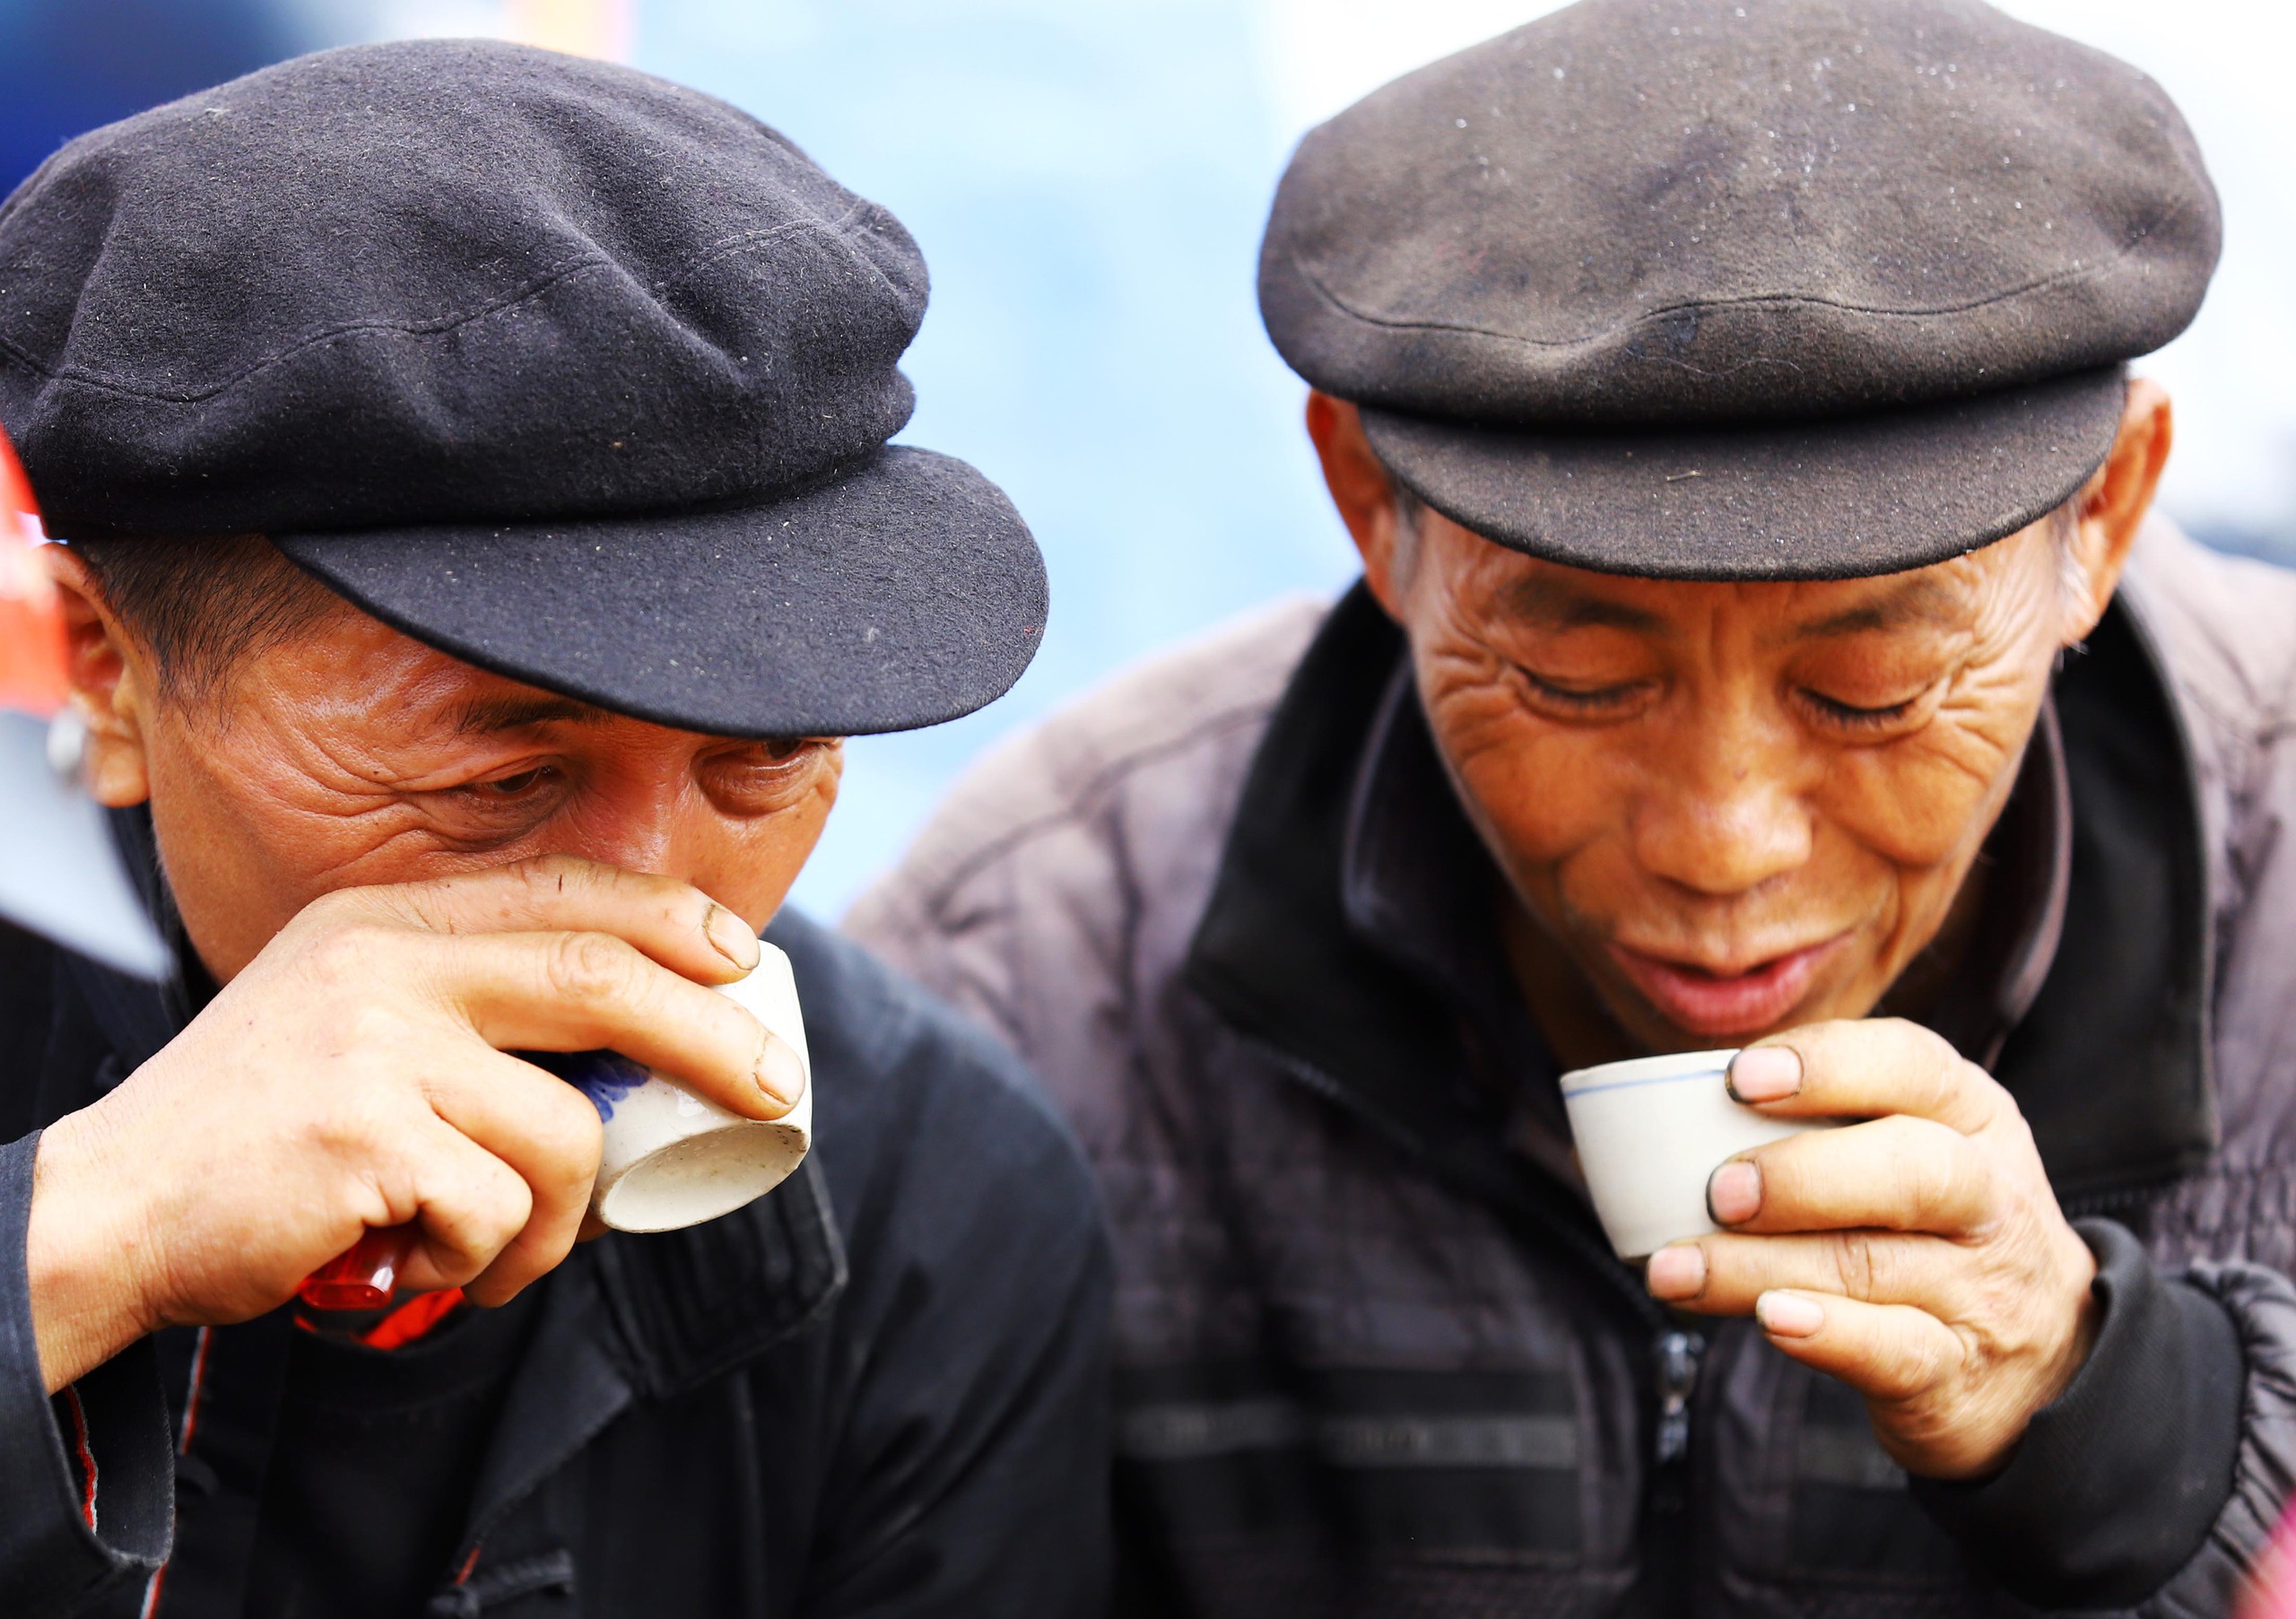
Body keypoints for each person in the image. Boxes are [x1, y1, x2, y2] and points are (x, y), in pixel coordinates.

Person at [848, 1, 2296, 1612]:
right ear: (1370, 508)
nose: (1723, 840)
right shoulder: (1045, 962)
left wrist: (2128, 1428)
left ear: (2104, 513)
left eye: (1868, 693)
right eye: (1582, 680)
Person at [0, 40, 1109, 1619]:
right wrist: (72, 1237)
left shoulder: (939, 1202)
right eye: (503, 779)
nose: (650, 908)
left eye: (766, 751)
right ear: (109, 672)